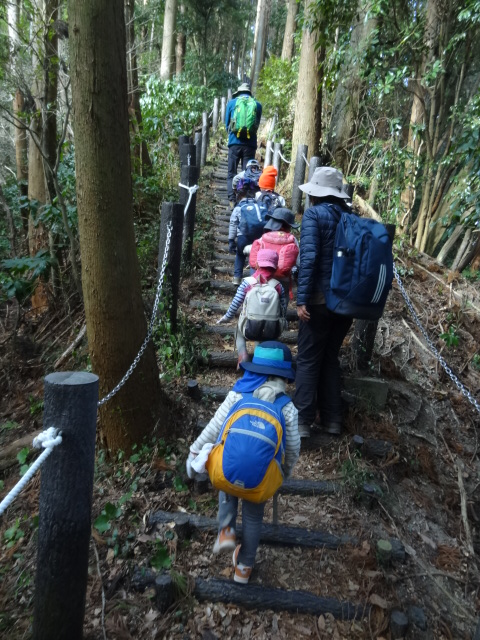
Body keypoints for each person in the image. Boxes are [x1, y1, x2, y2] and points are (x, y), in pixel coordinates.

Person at [186, 342, 300, 584]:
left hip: (229, 468)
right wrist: (284, 472)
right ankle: (244, 568)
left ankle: (226, 531)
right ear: (284, 376)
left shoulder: (238, 394)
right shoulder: (287, 407)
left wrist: (194, 450)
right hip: (261, 476)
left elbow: (215, 426)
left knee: (227, 484)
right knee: (253, 516)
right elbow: (292, 447)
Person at [294, 167, 354, 439]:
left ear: (316, 194)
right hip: (345, 305)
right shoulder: (351, 218)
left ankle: (302, 421)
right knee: (330, 358)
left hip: (318, 301)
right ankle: (332, 420)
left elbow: (309, 259)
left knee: (308, 358)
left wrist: (302, 299)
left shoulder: (314, 215)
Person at [217, 249, 286, 368]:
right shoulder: (278, 286)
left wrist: (227, 316)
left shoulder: (248, 283)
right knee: (263, 332)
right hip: (271, 330)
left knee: (238, 331)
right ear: (275, 268)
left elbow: (236, 302)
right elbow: (283, 309)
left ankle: (243, 354)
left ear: (257, 264)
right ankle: (259, 357)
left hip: (250, 328)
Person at [247, 208, 299, 301]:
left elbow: (254, 252)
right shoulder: (292, 239)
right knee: (282, 301)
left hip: (263, 277)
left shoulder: (264, 237)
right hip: (283, 279)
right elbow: (298, 261)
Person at [225, 83, 262, 208]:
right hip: (250, 144)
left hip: (234, 143)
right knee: (247, 174)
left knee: (231, 173)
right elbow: (256, 124)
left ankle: (232, 200)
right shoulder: (257, 105)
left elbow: (226, 124)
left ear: (238, 93)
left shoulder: (231, 103)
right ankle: (244, 200)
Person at [228, 178, 268, 285]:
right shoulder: (259, 206)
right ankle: (254, 280)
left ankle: (237, 278)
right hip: (258, 238)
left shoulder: (239, 207)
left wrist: (231, 240)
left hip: (243, 237)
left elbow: (233, 224)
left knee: (240, 254)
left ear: (239, 195)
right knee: (255, 257)